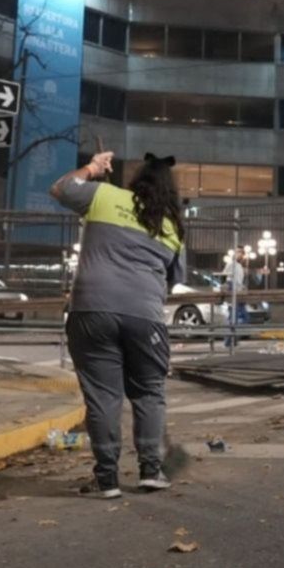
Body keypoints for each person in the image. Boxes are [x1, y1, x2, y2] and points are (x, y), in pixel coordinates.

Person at [51, 150, 183, 498]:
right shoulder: (170, 227)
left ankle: (107, 479)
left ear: (136, 180)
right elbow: (170, 283)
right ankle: (150, 471)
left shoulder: (104, 195)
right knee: (149, 393)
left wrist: (93, 168)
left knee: (103, 397)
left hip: (91, 311)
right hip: (144, 317)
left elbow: (61, 188)